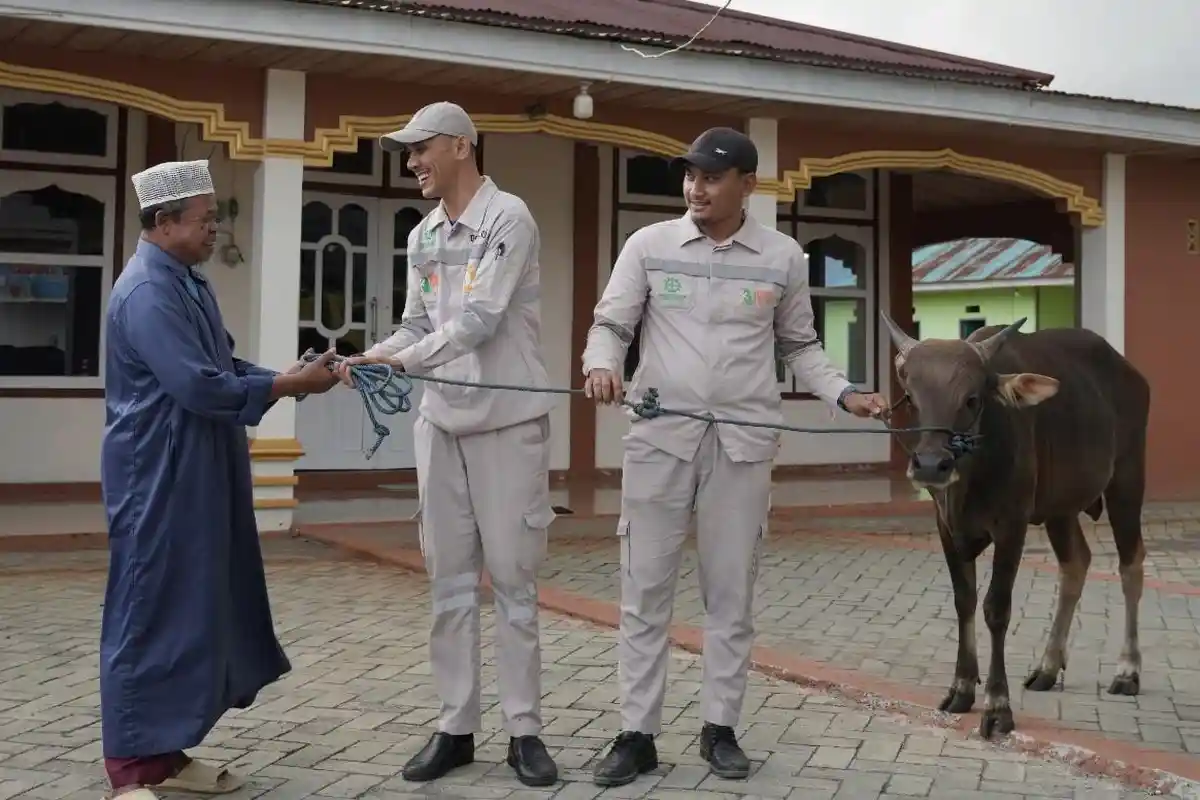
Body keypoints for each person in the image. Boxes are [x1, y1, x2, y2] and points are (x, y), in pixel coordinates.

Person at [581, 128, 888, 787]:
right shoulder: (649, 246)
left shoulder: (782, 258)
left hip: (742, 449)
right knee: (644, 589)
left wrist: (844, 394)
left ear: (747, 185)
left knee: (730, 595)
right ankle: (637, 735)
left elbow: (800, 346)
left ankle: (720, 729)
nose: (696, 188)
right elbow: (612, 325)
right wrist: (604, 366)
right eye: (690, 176)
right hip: (661, 442)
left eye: (712, 178)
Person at [99, 159, 340, 799]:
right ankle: (126, 771)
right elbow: (197, 385)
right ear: (165, 222)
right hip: (158, 472)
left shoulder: (185, 278)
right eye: (206, 220)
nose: (215, 230)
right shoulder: (147, 290)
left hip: (199, 460)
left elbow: (220, 362)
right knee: (148, 607)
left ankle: (163, 755)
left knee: (192, 606)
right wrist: (288, 387)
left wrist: (284, 374)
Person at [337, 102, 559, 788]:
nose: (412, 164)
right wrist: (373, 355)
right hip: (441, 424)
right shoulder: (425, 232)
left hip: (506, 423)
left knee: (515, 584)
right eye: (408, 153)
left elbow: (483, 318)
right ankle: (455, 728)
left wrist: (405, 362)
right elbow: (414, 323)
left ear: (462, 146)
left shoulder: (508, 217)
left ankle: (525, 731)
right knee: (449, 584)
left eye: (421, 149)